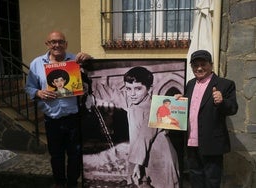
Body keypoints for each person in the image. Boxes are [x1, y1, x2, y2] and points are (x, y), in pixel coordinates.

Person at [25, 31, 92, 188]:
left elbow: (93, 71)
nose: (57, 45)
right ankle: (60, 183)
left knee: (75, 155)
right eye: (53, 42)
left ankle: (72, 184)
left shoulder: (75, 61)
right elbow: (29, 87)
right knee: (56, 156)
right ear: (47, 44)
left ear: (66, 44)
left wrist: (89, 59)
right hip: (52, 119)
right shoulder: (36, 63)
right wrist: (38, 92)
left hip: (73, 118)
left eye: (61, 41)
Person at [95, 66, 180, 188]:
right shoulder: (132, 101)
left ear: (149, 89)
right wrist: (84, 78)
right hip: (140, 154)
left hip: (159, 156)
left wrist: (137, 164)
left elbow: (144, 137)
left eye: (138, 88)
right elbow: (110, 93)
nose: (132, 94)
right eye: (128, 89)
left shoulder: (154, 107)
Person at [175, 50, 238, 188]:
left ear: (211, 65)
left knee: (212, 181)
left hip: (212, 143)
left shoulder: (225, 84)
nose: (199, 68)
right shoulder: (190, 84)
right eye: (195, 65)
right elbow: (190, 108)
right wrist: (179, 101)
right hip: (191, 143)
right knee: (195, 178)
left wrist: (222, 101)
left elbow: (233, 108)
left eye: (203, 64)